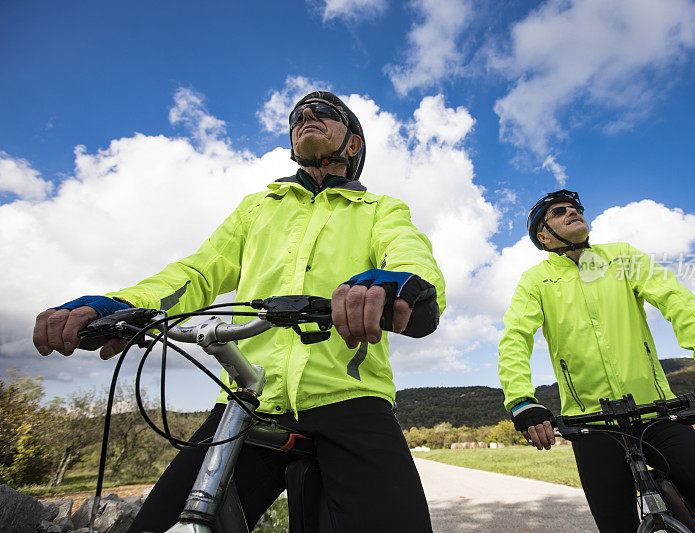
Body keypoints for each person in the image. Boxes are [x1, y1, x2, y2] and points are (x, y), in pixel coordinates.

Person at [32, 91, 444, 532]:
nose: (306, 115)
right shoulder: (257, 208)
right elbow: (198, 271)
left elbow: (410, 256)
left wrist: (397, 285)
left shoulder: (381, 209)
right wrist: (125, 304)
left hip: (350, 396)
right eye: (297, 115)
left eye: (324, 112)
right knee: (159, 523)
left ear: (354, 144)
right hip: (247, 398)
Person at [497, 189, 695, 532]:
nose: (573, 212)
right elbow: (515, 339)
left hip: (655, 410)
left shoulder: (621, 256)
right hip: (590, 424)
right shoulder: (535, 280)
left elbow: (677, 300)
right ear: (544, 235)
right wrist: (522, 400)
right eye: (560, 211)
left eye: (576, 208)